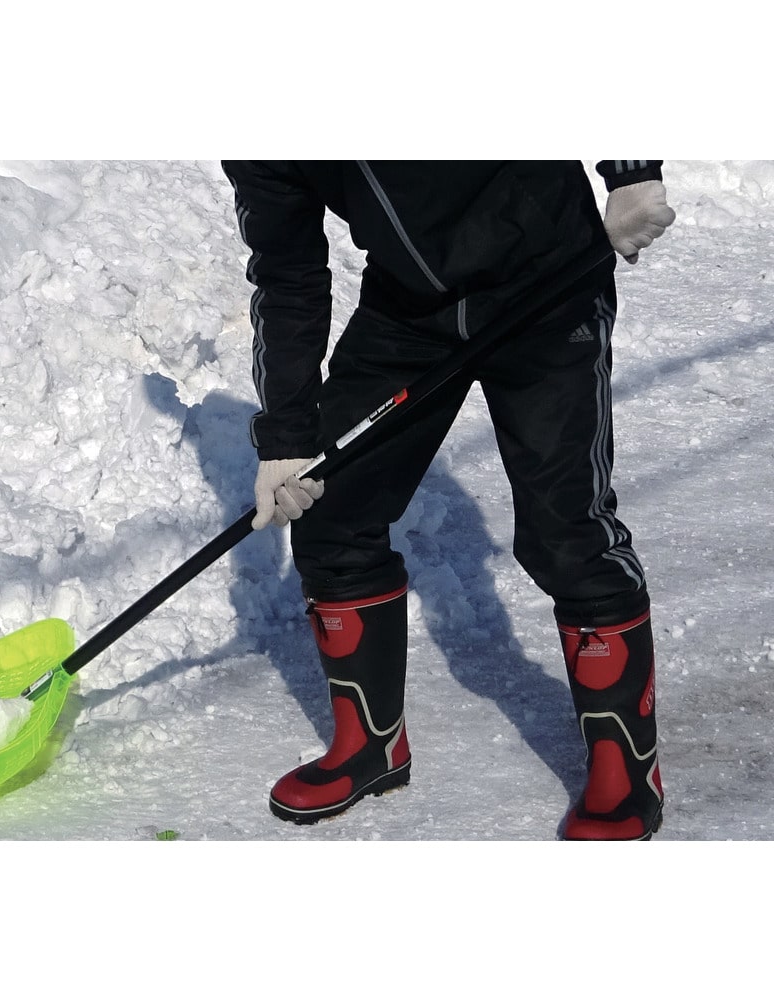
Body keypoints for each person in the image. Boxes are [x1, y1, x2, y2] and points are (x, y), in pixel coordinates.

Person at [221, 160, 675, 840]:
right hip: (410, 310)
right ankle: (371, 745)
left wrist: (632, 171)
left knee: (565, 534)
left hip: (547, 280)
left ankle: (627, 771)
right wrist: (286, 436)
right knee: (332, 509)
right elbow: (287, 273)